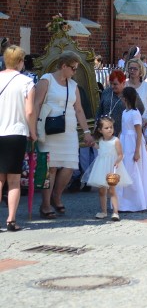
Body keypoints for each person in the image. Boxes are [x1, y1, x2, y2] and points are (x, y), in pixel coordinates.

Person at [34, 51, 95, 219]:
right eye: (73, 68)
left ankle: (57, 195)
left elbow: (79, 110)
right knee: (50, 167)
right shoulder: (46, 80)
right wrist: (33, 128)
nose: (75, 72)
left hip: (68, 130)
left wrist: (87, 132)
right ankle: (45, 204)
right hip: (49, 129)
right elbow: (37, 104)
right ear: (64, 66)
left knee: (69, 166)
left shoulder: (73, 85)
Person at [0, 45, 36, 231]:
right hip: (16, 132)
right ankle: (11, 220)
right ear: (21, 61)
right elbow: (29, 111)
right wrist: (34, 132)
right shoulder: (26, 82)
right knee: (13, 180)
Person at [116, 87, 147, 212]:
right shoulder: (125, 112)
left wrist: (137, 151)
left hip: (133, 143)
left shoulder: (135, 113)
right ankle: (123, 202)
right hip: (125, 141)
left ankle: (136, 201)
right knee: (123, 169)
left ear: (126, 98)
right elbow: (122, 129)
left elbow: (139, 132)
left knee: (133, 171)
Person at [82, 116, 130, 221]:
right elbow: (101, 149)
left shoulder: (116, 140)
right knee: (101, 190)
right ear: (100, 130)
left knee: (112, 190)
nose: (110, 129)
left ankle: (115, 212)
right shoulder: (101, 140)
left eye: (111, 127)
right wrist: (93, 144)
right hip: (101, 166)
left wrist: (117, 162)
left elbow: (121, 154)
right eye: (107, 128)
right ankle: (103, 211)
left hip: (112, 167)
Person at [125, 58, 147, 124]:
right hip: (126, 121)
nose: (132, 70)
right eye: (130, 68)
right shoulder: (124, 85)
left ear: (140, 71)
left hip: (142, 122)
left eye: (135, 69)